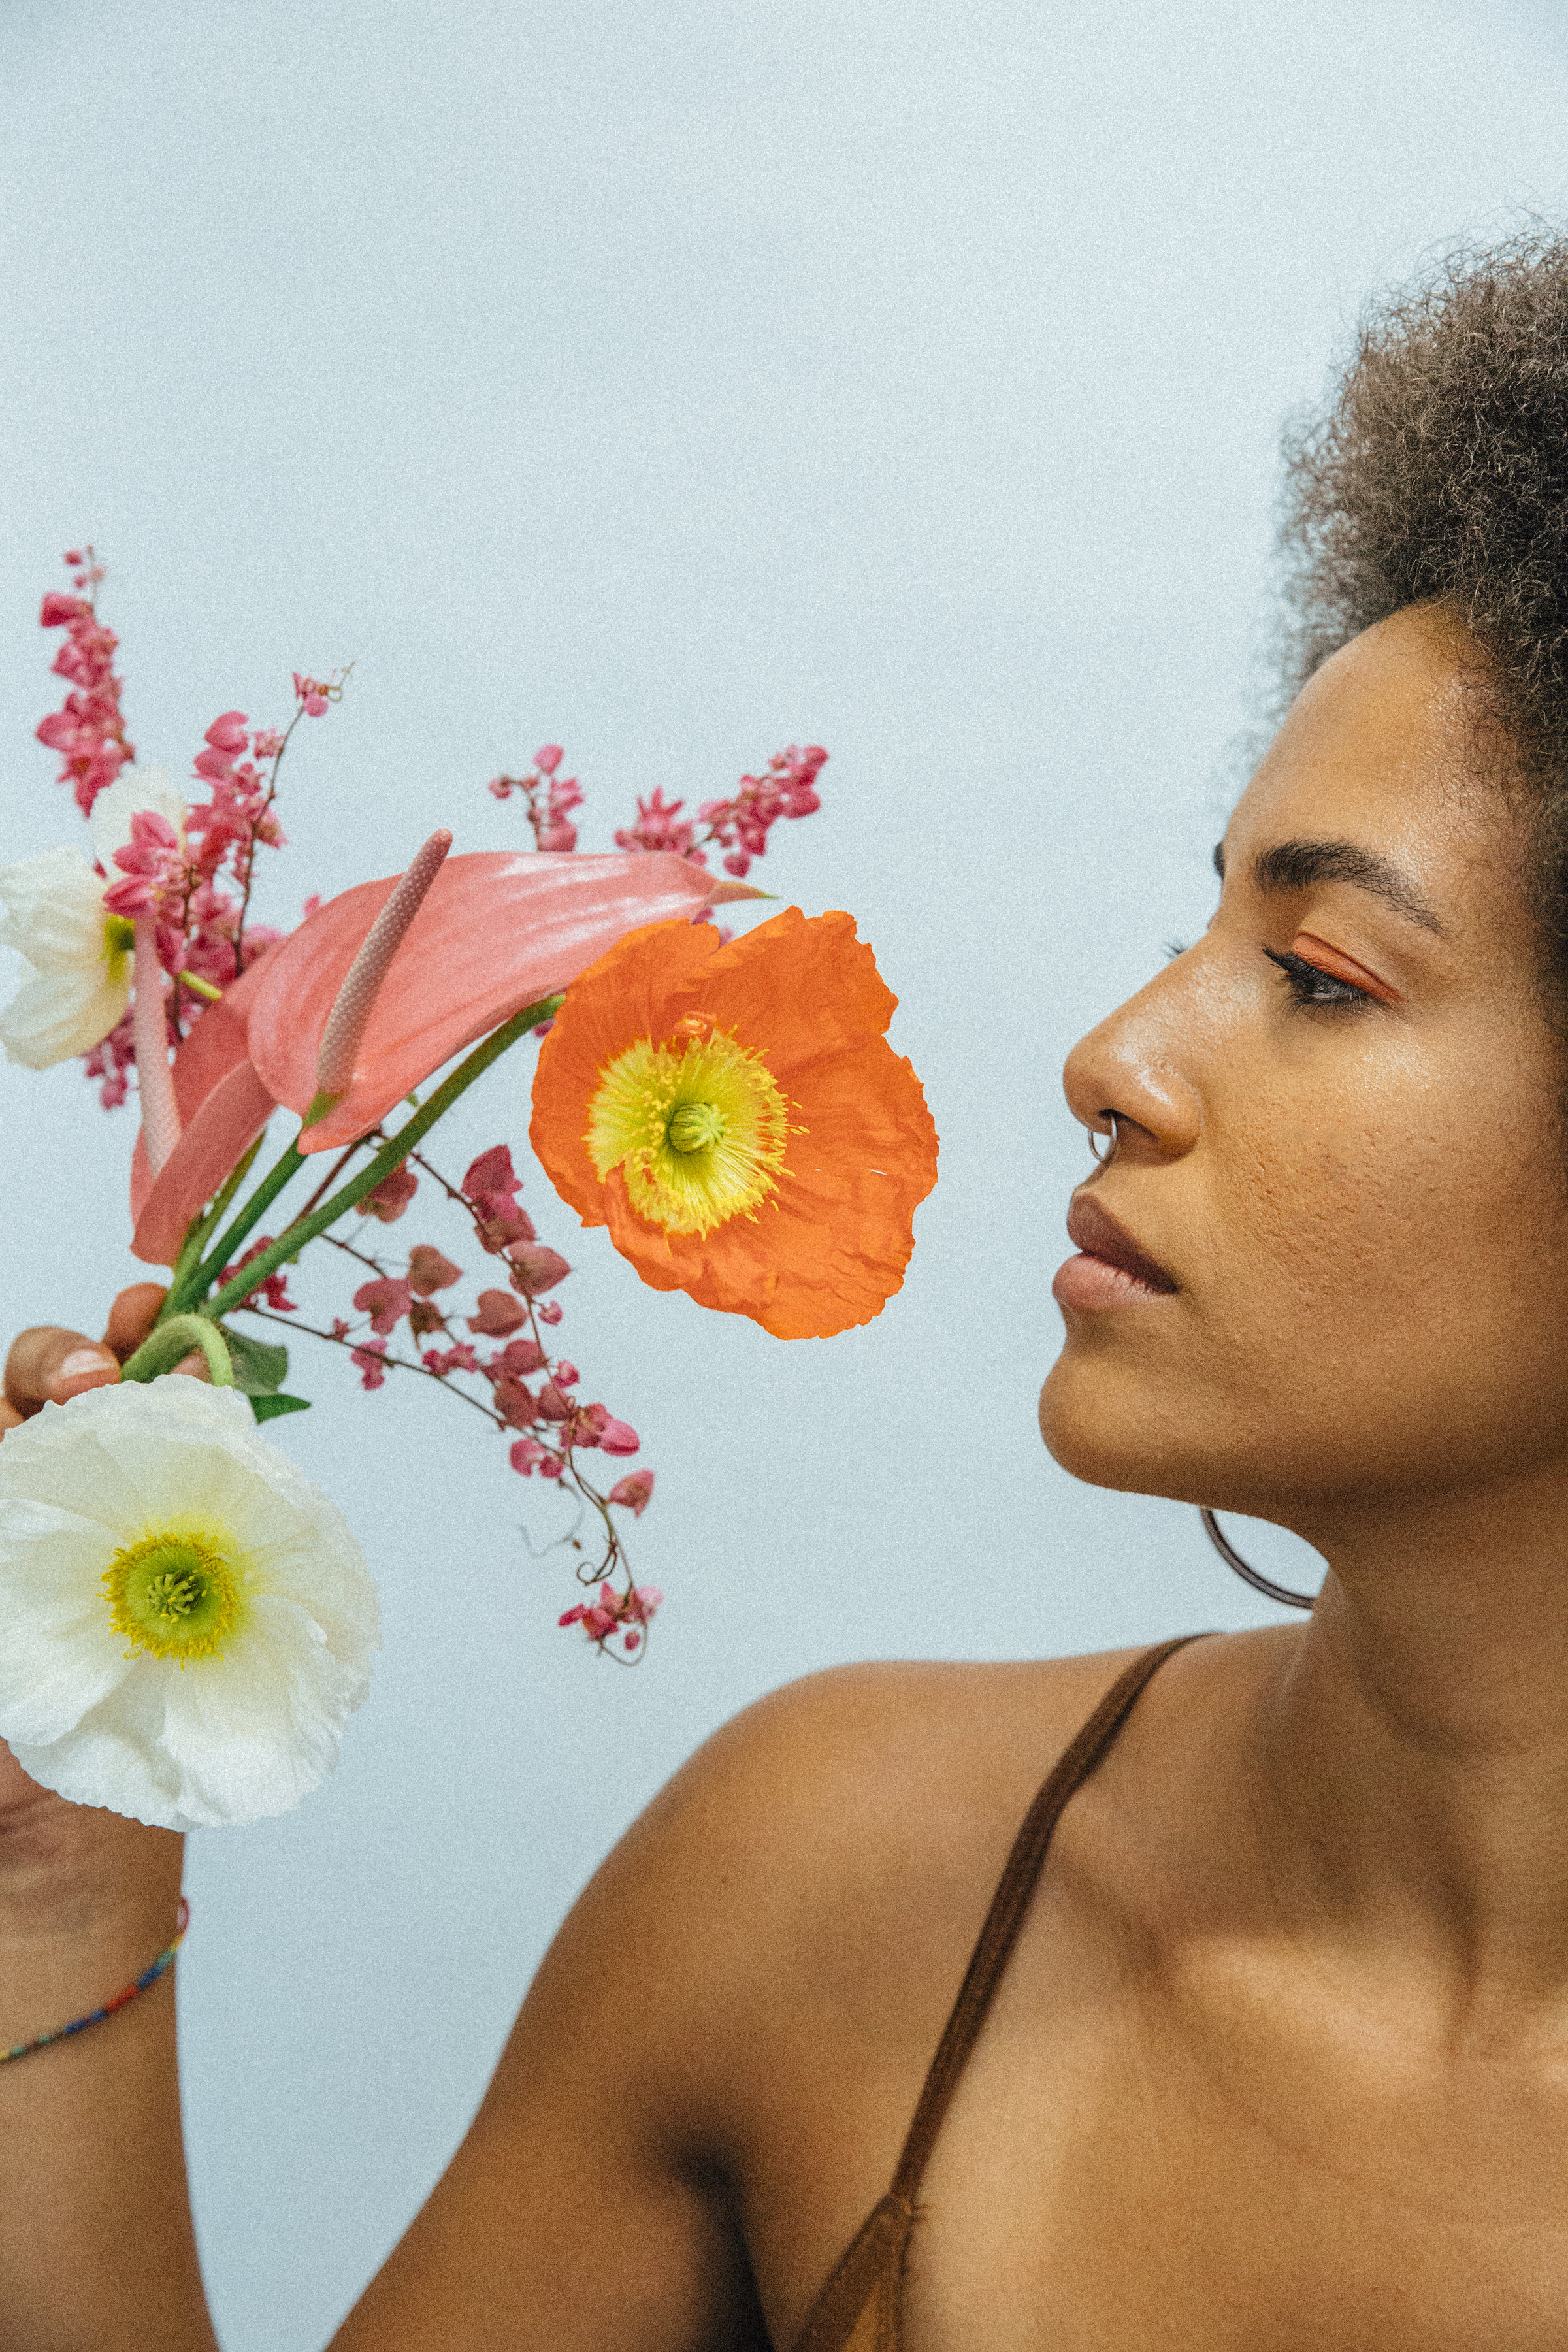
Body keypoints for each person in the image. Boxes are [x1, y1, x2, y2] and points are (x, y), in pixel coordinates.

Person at [8, 229, 1568, 2350]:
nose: (1114, 1054)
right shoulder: (834, 1884)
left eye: (1319, 977)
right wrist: (52, 1897)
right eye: (1202, 920)